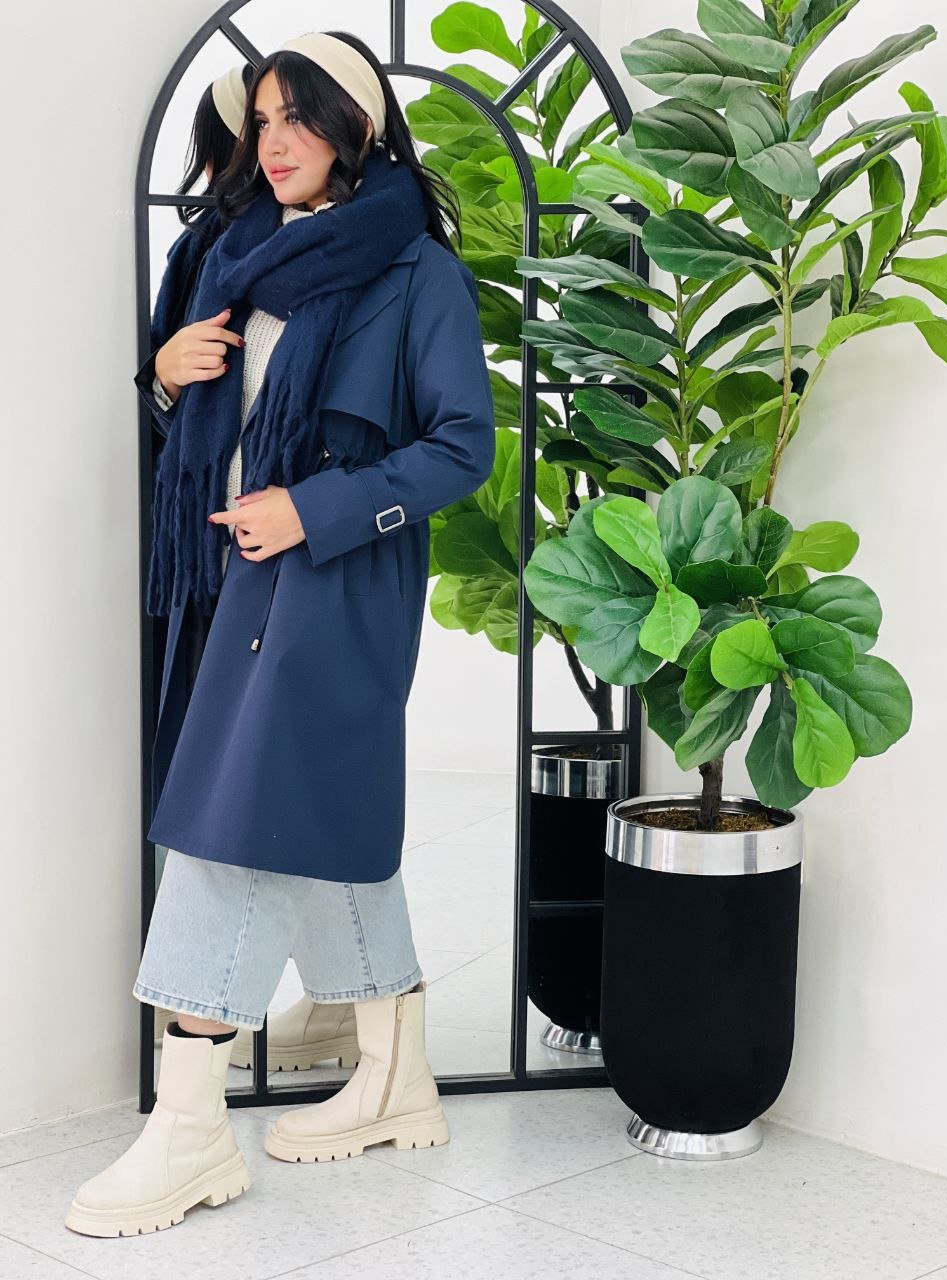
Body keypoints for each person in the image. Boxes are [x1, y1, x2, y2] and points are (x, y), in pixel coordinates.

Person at [66, 30, 495, 1238]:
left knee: (235, 831)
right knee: (316, 810)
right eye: (261, 120)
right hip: (227, 588)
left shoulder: (416, 272)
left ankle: (190, 1128)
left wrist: (314, 509)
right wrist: (166, 374)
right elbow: (207, 434)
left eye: (300, 116)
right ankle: (395, 1068)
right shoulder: (238, 258)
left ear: (357, 128)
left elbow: (463, 446)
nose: (276, 140)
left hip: (333, 589)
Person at [135, 62, 255, 1047]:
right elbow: (164, 408)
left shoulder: (341, 246)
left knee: (254, 780)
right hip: (216, 558)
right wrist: (166, 375)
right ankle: (199, 1046)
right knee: (211, 776)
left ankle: (206, 1042)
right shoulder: (209, 248)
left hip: (295, 545)